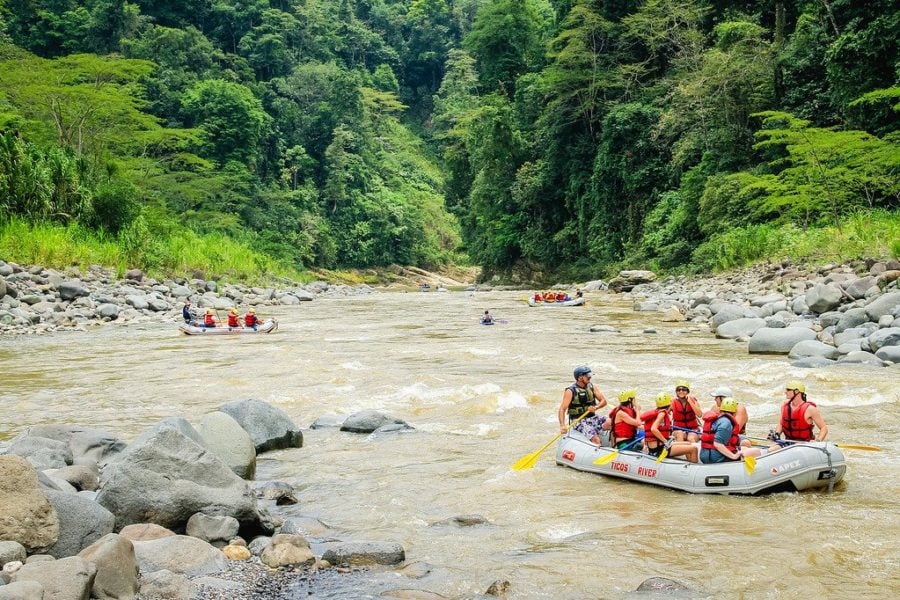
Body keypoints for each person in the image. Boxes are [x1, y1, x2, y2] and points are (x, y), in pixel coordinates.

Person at [700, 398, 762, 463]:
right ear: (734, 412)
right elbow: (717, 444)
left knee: (745, 448)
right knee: (756, 451)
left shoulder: (716, 419)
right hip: (716, 457)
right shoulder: (726, 423)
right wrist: (733, 456)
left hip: (705, 454)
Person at [558, 366, 609, 445]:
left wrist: (596, 407)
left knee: (612, 422)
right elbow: (562, 409)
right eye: (587, 376)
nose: (590, 377)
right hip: (578, 421)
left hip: (592, 418)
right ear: (580, 378)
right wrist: (562, 425)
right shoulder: (570, 391)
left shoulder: (592, 387)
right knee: (596, 440)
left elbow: (604, 401)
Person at [642, 392, 699, 462]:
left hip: (656, 446)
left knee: (688, 443)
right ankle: (693, 469)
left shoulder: (657, 412)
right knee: (694, 449)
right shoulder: (662, 414)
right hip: (660, 449)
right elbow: (653, 429)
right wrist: (665, 441)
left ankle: (688, 464)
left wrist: (668, 437)